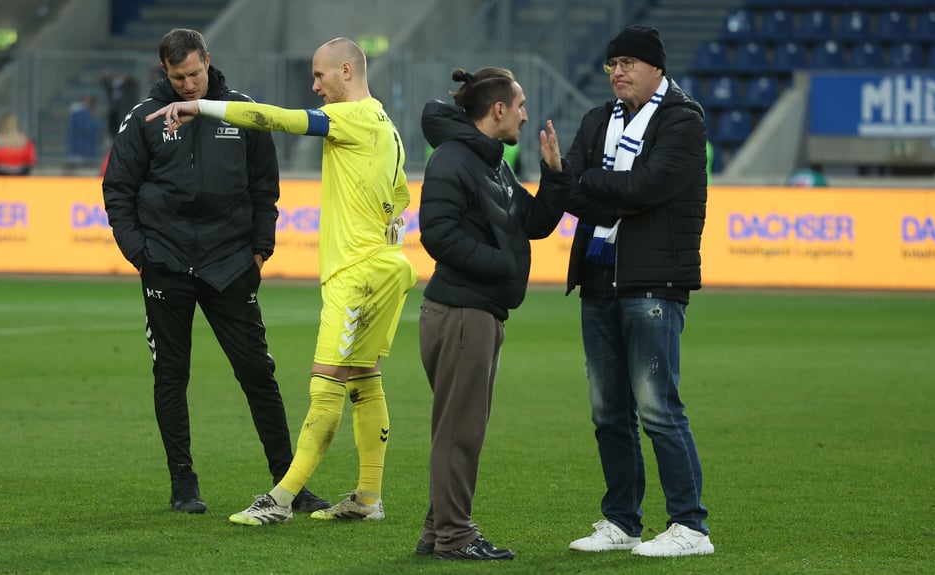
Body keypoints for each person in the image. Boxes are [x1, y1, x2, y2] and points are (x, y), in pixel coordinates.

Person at [145, 37, 418, 526]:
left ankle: (282, 498)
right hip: (386, 265)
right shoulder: (386, 123)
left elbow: (279, 119)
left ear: (347, 71)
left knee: (326, 384)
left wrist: (201, 107)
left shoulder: (349, 116)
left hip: (356, 274)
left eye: (320, 75)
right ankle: (368, 498)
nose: (315, 86)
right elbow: (400, 198)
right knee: (364, 378)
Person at [102, 28, 329, 516]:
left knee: (257, 372)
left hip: (230, 265)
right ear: (164, 71)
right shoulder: (143, 119)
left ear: (208, 60)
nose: (189, 85)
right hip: (166, 265)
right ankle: (183, 484)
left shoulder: (242, 112)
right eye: (178, 77)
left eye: (195, 73)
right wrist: (141, 254)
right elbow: (118, 190)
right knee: (171, 375)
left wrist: (260, 251)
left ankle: (289, 484)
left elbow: (265, 188)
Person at [563, 25, 713, 557]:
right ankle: (622, 522)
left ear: (656, 68)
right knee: (608, 412)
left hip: (653, 282)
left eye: (628, 62)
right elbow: (572, 190)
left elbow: (649, 186)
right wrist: (606, 190)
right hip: (599, 278)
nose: (618, 72)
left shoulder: (682, 119)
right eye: (613, 64)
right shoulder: (597, 119)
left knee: (657, 409)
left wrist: (593, 182)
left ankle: (690, 527)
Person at [415, 67, 570, 560]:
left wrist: (553, 175)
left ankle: (437, 531)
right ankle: (455, 536)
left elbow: (534, 222)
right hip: (461, 313)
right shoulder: (453, 158)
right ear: (498, 109)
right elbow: (437, 235)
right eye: (520, 106)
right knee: (459, 431)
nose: (525, 116)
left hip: (476, 312)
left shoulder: (491, 162)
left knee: (459, 428)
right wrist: (505, 266)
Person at [100, 71, 139, 141]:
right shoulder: (112, 88)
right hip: (115, 112)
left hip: (124, 113)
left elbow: (133, 83)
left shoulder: (129, 88)